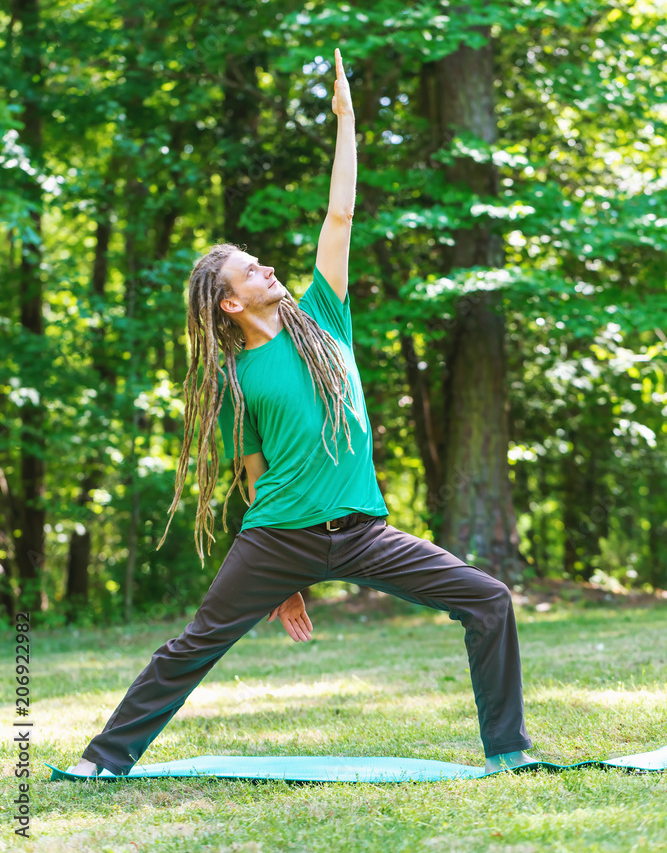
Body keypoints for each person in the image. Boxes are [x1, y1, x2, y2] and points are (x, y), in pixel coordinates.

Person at [71, 49, 536, 778]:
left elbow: (340, 212)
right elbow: (254, 475)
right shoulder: (236, 377)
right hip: (276, 536)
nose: (266, 269)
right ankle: (105, 758)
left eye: (260, 262)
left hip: (360, 530)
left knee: (487, 599)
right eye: (249, 271)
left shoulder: (323, 317)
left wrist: (345, 120)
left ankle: (507, 750)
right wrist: (282, 581)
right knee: (196, 642)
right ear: (231, 303)